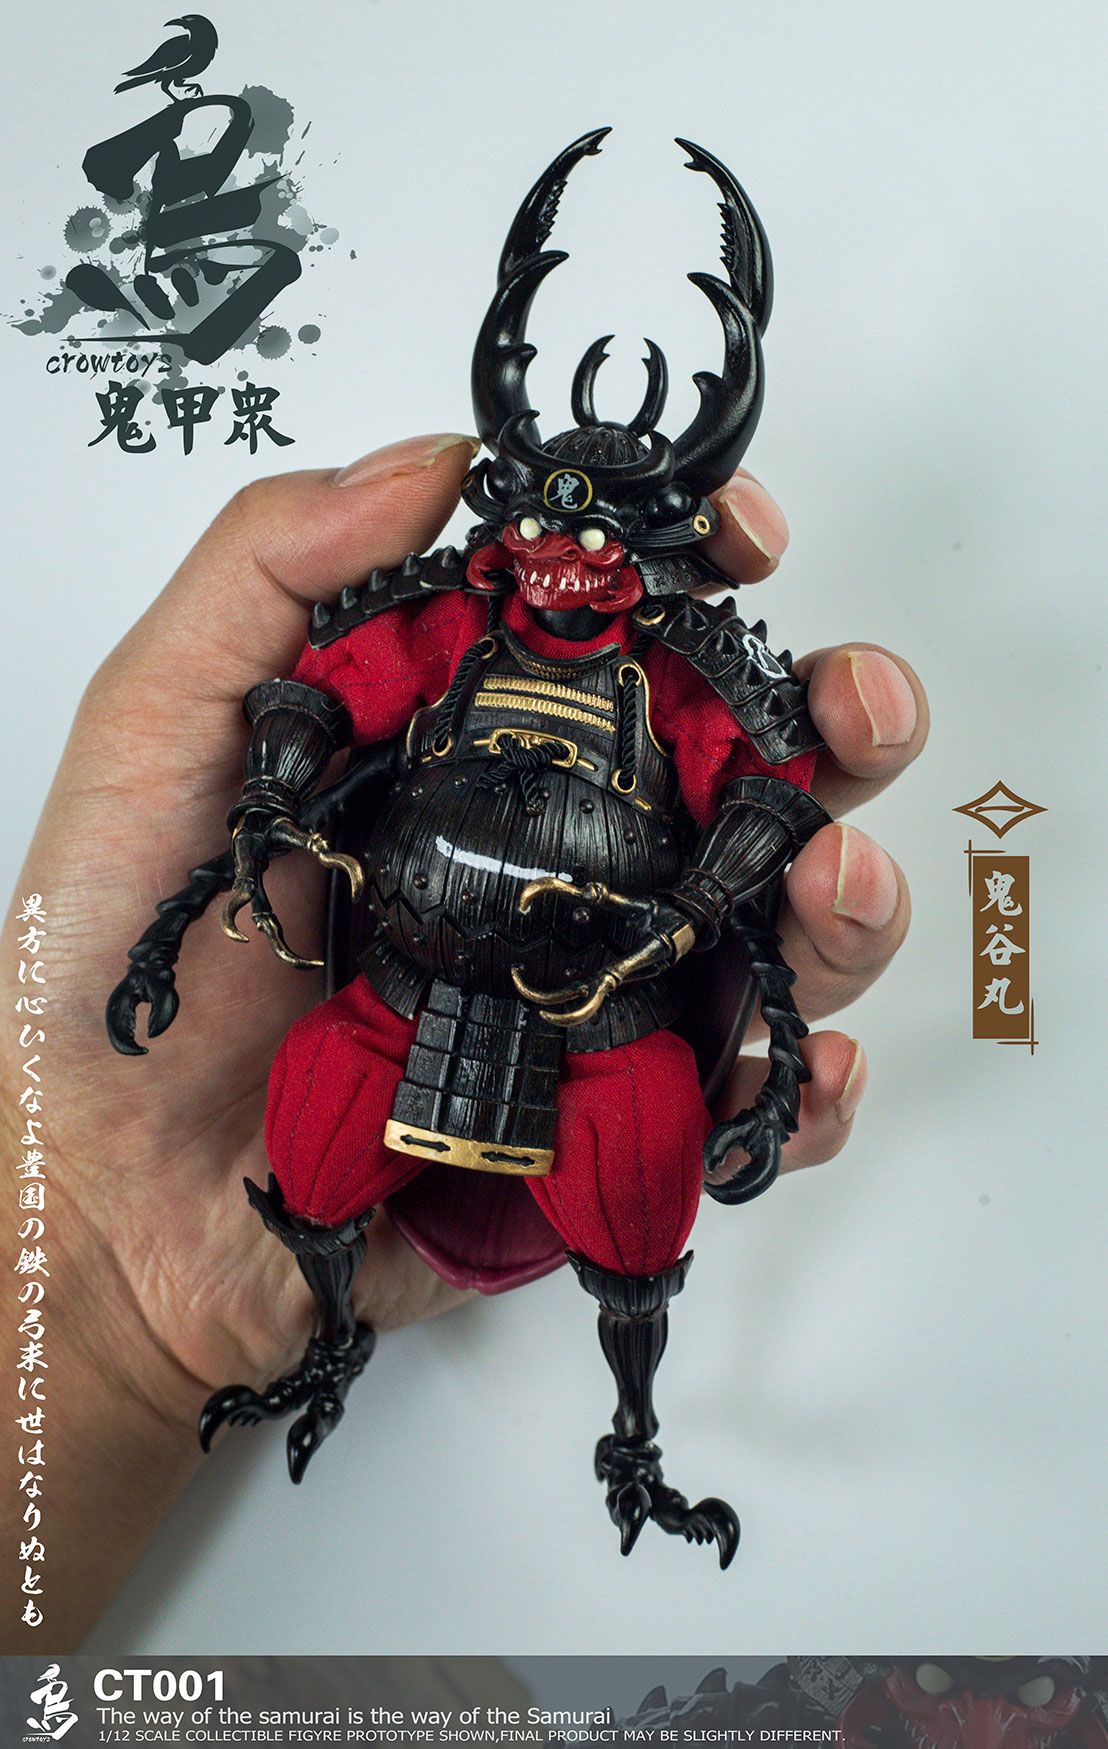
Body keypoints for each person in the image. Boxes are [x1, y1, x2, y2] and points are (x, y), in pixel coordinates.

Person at [0, 432, 927, 1649]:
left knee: (640, 1192)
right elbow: (317, 694)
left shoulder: (688, 672)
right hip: (404, 976)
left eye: (594, 537)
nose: (561, 558)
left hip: (604, 1011)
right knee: (314, 1140)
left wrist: (703, 908)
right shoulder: (446, 625)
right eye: (536, 524)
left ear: (653, 545)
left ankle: (633, 1437)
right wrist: (266, 797)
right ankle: (329, 1339)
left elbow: (765, 786)